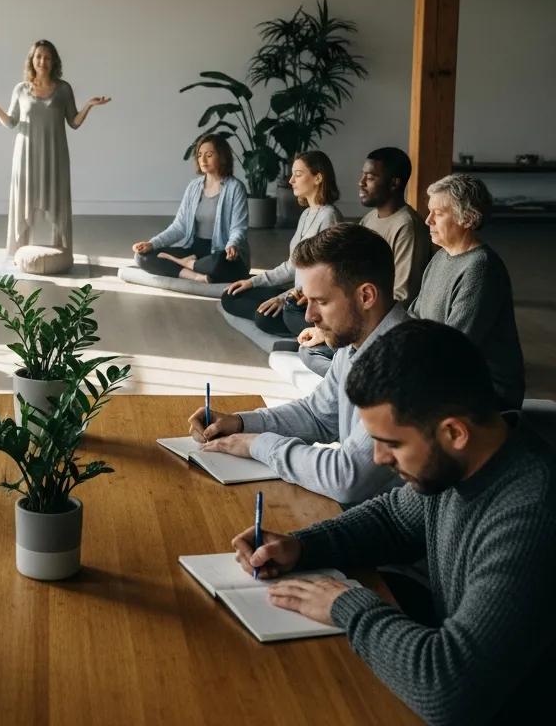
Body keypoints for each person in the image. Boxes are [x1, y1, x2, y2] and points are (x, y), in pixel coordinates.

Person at [230, 320, 556, 723]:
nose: (379, 459)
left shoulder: (532, 513)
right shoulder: (463, 465)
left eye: (392, 444)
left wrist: (345, 604)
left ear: (454, 432)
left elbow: (449, 691)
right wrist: (302, 546)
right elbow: (391, 520)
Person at [188, 223, 404, 505]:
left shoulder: (402, 362)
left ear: (366, 296)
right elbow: (318, 415)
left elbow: (346, 478)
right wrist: (240, 423)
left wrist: (258, 444)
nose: (309, 316)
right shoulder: (357, 342)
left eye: (321, 302)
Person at [297, 146, 431, 375]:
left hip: (375, 326)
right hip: (353, 309)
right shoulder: (369, 218)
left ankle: (355, 377)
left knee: (308, 347)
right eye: (362, 176)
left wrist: (335, 323)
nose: (361, 183)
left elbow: (402, 296)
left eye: (370, 177)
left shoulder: (407, 226)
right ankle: (347, 374)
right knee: (299, 326)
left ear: (394, 183)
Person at [0, 39, 111, 257]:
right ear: (32, 60)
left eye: (47, 57)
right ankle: (18, 252)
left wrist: (89, 106)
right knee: (23, 202)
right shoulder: (20, 89)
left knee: (57, 201)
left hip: (55, 155)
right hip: (26, 156)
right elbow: (11, 122)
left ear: (54, 61)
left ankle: (62, 250)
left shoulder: (64, 89)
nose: (42, 61)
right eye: (38, 56)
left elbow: (74, 122)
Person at [409, 174, 524, 409]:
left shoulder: (481, 268)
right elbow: (413, 317)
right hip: (443, 373)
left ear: (468, 218)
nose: (427, 220)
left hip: (483, 392)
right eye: (429, 212)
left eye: (438, 214)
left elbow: (454, 346)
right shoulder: (441, 256)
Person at [221, 151, 342, 337]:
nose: (291, 180)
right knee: (231, 295)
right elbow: (291, 266)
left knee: (264, 317)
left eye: (298, 174)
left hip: (308, 302)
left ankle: (300, 327)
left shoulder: (329, 217)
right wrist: (252, 282)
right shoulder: (307, 214)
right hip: (293, 295)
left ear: (318, 178)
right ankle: (270, 312)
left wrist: (282, 299)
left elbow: (324, 276)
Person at [131, 134, 249, 284]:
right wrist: (152, 243)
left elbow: (238, 228)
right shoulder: (194, 187)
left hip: (220, 252)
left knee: (220, 264)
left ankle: (185, 264)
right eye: (200, 155)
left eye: (209, 155)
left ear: (222, 156)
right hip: (194, 251)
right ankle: (194, 275)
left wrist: (233, 244)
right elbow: (179, 227)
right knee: (142, 257)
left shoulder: (235, 188)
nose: (203, 160)